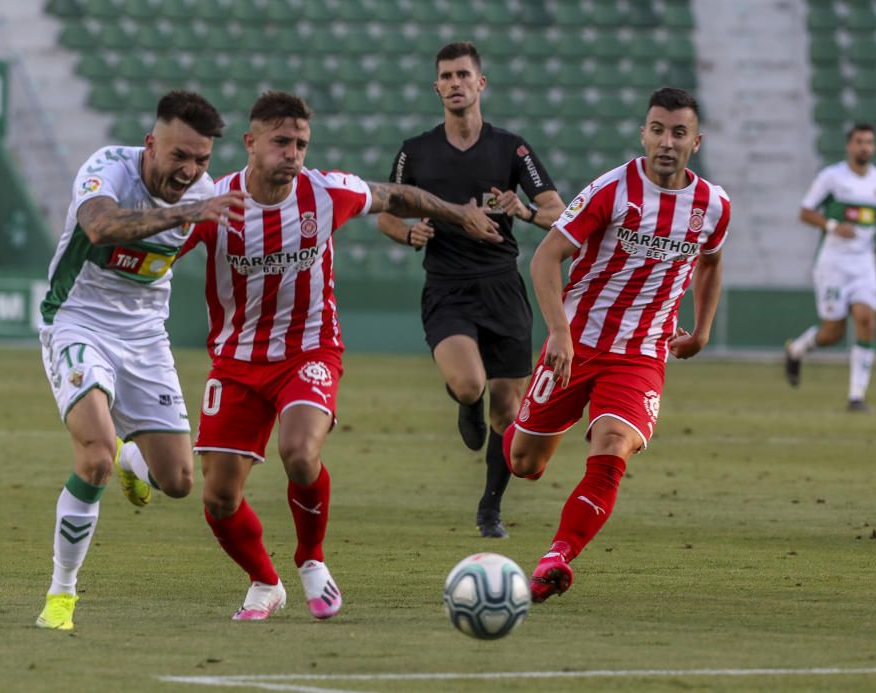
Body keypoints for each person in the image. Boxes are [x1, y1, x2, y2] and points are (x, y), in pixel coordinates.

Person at [180, 90, 502, 622]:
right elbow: (163, 250)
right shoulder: (217, 204)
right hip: (236, 361)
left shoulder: (327, 191)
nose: (294, 153)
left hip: (310, 348)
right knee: (217, 497)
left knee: (300, 451)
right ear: (250, 142)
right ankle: (265, 583)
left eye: (301, 143)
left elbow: (397, 195)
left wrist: (458, 213)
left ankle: (312, 560)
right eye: (281, 141)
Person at [503, 87, 731, 603]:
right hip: (578, 342)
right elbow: (545, 259)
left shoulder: (713, 205)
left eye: (678, 132)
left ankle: (556, 557)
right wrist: (559, 332)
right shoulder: (612, 191)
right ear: (643, 133)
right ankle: (510, 424)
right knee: (525, 463)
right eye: (657, 129)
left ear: (697, 141)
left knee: (610, 445)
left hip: (642, 354)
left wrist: (702, 328)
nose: (666, 142)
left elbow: (711, 261)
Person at [35, 91, 249, 630]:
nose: (191, 170)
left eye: (201, 160)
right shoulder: (107, 168)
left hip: (145, 337)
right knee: (95, 453)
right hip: (77, 320)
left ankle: (137, 459)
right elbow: (100, 228)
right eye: (179, 156)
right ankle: (62, 597)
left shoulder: (202, 190)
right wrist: (189, 211)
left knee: (178, 481)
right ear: (151, 144)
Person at [377, 42, 565, 539]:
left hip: (503, 287)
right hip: (447, 288)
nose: (455, 83)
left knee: (508, 409)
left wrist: (522, 211)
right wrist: (409, 232)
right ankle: (466, 403)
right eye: (446, 75)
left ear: (480, 84)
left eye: (464, 74)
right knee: (469, 385)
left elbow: (558, 211)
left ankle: (490, 509)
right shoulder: (415, 150)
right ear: (436, 87)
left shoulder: (512, 149)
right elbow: (385, 213)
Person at [784, 123, 876, 412]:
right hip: (833, 263)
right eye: (859, 141)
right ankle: (797, 350)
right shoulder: (832, 177)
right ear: (849, 145)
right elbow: (805, 212)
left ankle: (856, 395)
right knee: (832, 333)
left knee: (866, 318)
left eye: (869, 142)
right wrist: (833, 225)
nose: (865, 147)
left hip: (863, 263)